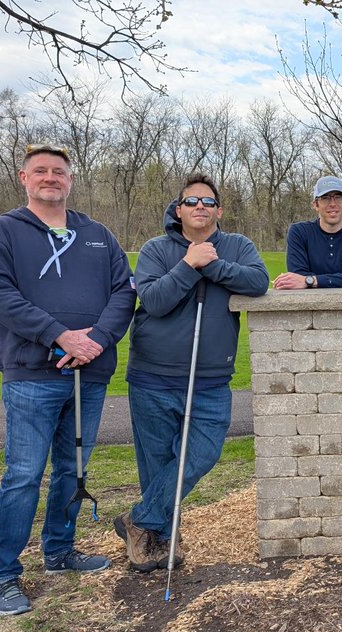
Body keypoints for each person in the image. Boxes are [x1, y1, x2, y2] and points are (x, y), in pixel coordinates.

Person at [0, 143, 135, 615]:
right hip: (31, 373)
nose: (50, 177)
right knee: (24, 474)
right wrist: (60, 336)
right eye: (40, 171)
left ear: (70, 179)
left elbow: (123, 296)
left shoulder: (98, 235)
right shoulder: (2, 231)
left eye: (59, 171)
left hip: (91, 372)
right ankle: (3, 575)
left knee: (73, 468)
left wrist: (96, 342)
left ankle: (60, 552)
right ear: (23, 178)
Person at [115, 173, 269, 573]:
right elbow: (155, 299)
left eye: (208, 201)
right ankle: (158, 540)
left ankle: (140, 520)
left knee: (201, 453)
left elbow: (257, 282)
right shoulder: (155, 249)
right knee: (156, 462)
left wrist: (211, 264)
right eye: (191, 202)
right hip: (153, 375)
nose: (200, 207)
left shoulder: (237, 246)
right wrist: (187, 264)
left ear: (219, 210)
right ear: (178, 210)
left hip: (210, 378)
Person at [272, 176, 342, 290]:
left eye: (338, 197)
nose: (332, 204)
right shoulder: (299, 232)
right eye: (325, 198)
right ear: (315, 204)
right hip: (308, 306)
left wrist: (310, 281)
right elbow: (298, 276)